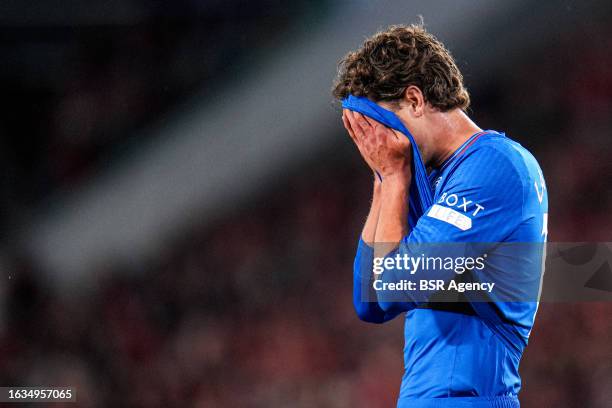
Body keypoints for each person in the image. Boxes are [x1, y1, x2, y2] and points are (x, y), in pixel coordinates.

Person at [333, 24, 548, 408]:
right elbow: (369, 301)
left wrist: (395, 177)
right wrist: (384, 181)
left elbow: (396, 285)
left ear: (415, 100)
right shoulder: (434, 181)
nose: (377, 145)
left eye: (377, 127)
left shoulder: (496, 165)